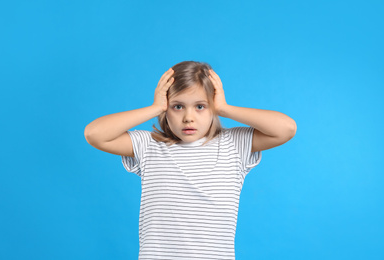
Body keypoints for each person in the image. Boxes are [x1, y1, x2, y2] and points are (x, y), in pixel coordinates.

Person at [84, 61, 297, 260]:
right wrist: (154, 108)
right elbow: (95, 134)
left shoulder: (234, 144)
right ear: (166, 107)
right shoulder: (149, 145)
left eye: (200, 106)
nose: (188, 117)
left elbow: (286, 129)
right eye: (177, 106)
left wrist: (224, 108)